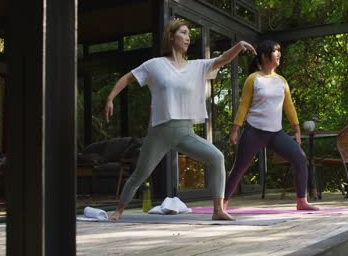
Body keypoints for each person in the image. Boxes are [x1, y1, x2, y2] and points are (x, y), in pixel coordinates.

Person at [103, 19, 256, 221]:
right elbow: (128, 78)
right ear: (171, 36)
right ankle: (118, 211)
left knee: (217, 157)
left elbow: (221, 60)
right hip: (160, 132)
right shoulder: (154, 65)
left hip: (185, 132)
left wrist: (238, 46)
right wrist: (110, 97)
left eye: (188, 34)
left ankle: (218, 210)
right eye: (183, 32)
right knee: (140, 175)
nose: (187, 37)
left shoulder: (197, 67)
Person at [223, 40, 319, 211]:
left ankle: (301, 201)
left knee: (300, 158)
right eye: (276, 51)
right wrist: (235, 130)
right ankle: (221, 205)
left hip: (276, 134)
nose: (279, 54)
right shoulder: (253, 79)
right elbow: (243, 105)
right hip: (254, 132)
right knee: (239, 168)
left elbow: (289, 106)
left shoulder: (282, 81)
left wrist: (296, 128)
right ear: (265, 56)